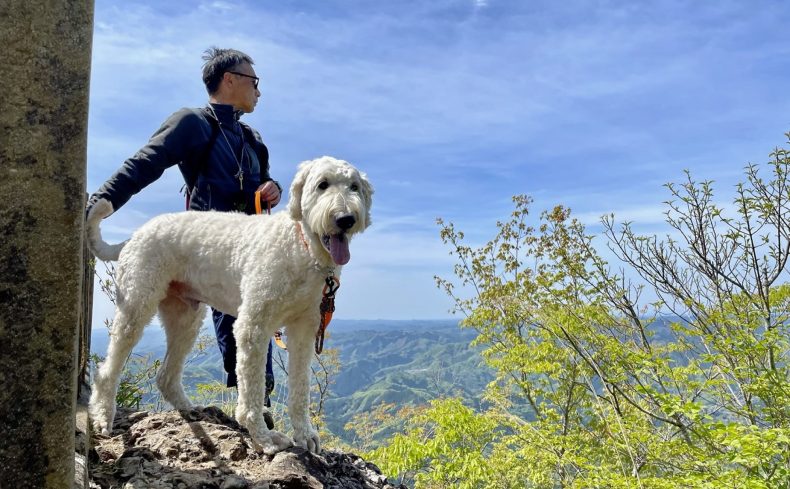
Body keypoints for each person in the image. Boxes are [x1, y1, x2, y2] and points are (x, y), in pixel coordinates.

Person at [87, 47, 281, 421]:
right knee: (136, 323)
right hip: (200, 245)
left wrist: (272, 186)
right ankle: (104, 392)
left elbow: (262, 183)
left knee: (254, 319)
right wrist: (101, 201)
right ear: (230, 79)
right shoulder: (193, 122)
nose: (259, 91)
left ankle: (256, 407)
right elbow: (146, 162)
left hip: (251, 248)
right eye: (254, 82)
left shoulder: (252, 139)